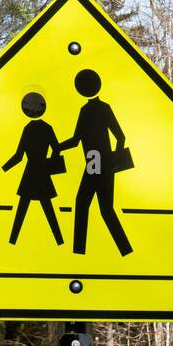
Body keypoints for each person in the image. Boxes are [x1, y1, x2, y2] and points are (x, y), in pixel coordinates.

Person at [60, 69, 132, 256]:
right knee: (96, 207)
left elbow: (120, 136)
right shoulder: (90, 110)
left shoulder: (97, 109)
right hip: (97, 163)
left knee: (93, 206)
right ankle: (84, 251)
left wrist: (114, 162)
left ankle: (82, 251)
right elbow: (77, 140)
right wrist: (58, 147)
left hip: (98, 163)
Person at [2, 92, 65, 246]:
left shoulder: (28, 129)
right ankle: (60, 241)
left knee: (23, 210)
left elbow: (19, 156)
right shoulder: (47, 128)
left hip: (30, 173)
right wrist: (49, 164)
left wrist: (4, 168)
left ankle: (12, 241)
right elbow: (57, 149)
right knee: (46, 209)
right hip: (42, 171)